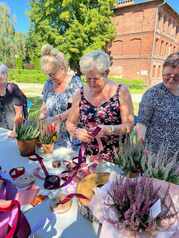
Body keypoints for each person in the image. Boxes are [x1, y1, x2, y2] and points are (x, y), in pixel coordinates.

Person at [66, 50, 134, 161]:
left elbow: (129, 125)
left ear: (106, 72)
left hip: (117, 158)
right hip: (89, 158)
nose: (92, 83)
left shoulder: (121, 91)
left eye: (96, 79)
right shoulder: (80, 93)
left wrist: (109, 129)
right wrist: (76, 132)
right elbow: (69, 123)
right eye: (88, 78)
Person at [136, 53, 179, 158]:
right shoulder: (153, 94)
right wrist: (140, 140)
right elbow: (142, 123)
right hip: (155, 159)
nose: (171, 79)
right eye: (167, 75)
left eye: (177, 76)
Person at [40, 44, 82, 148]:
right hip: (51, 136)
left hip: (71, 139)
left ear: (62, 68)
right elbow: (44, 106)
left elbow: (78, 107)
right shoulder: (48, 84)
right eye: (48, 74)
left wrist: (58, 118)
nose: (51, 77)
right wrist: (42, 118)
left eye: (53, 73)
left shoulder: (75, 83)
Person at [0, 64, 28, 137]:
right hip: (3, 131)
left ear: (7, 76)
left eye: (3, 73)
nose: (1, 76)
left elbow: (19, 113)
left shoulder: (12, 89)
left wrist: (15, 131)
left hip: (14, 130)